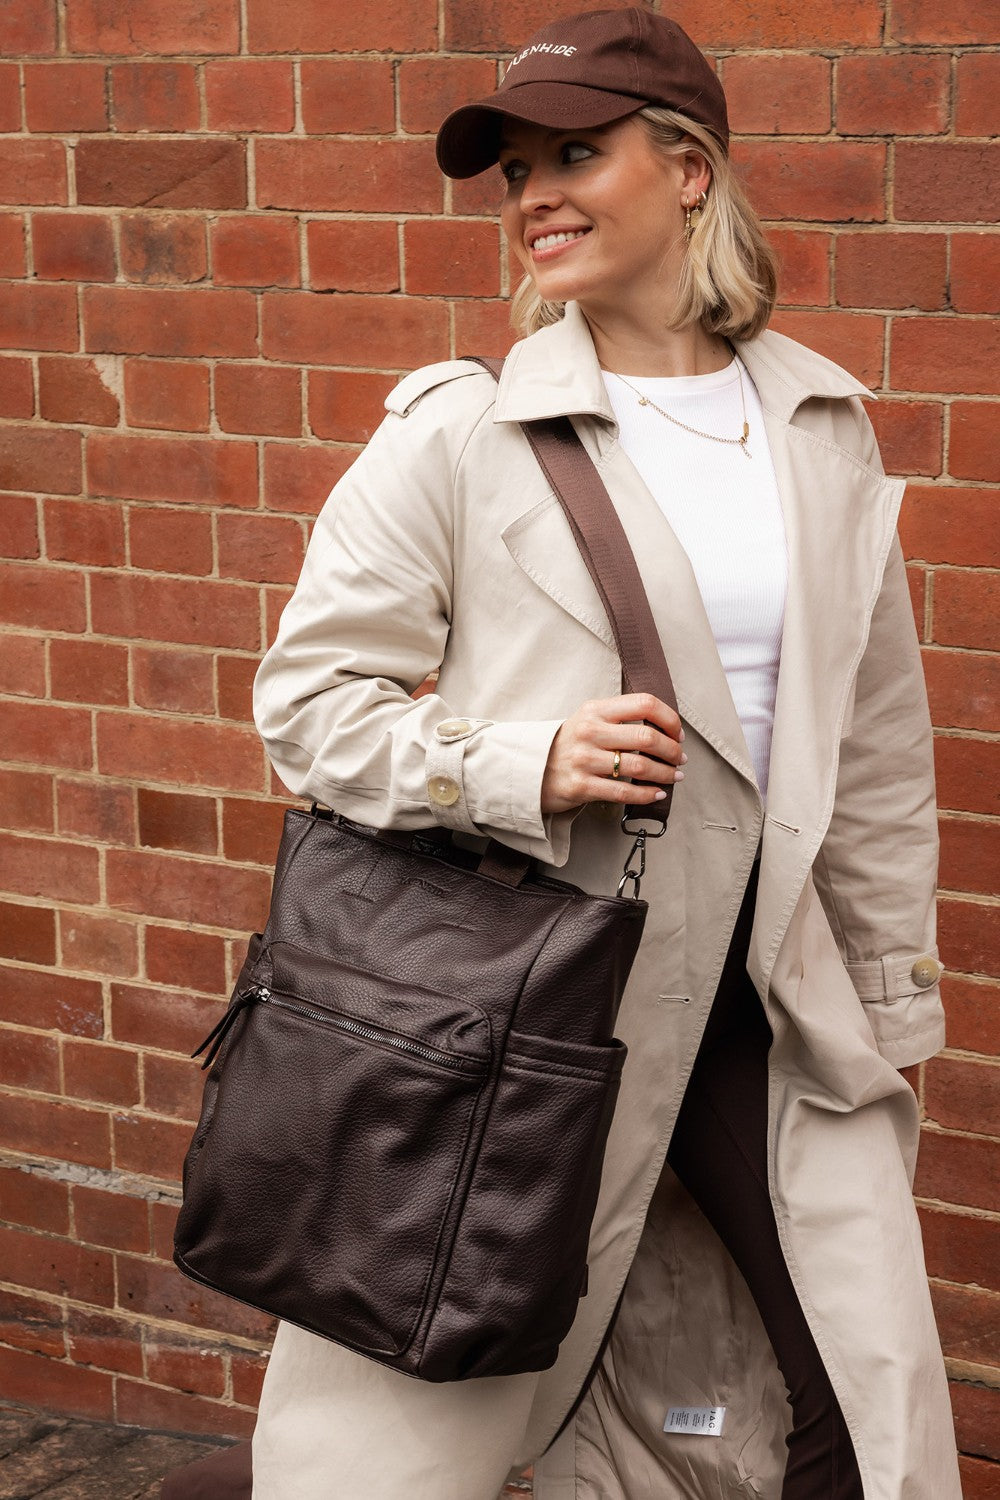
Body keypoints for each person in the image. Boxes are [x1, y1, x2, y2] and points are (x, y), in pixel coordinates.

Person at [163, 9, 961, 1498]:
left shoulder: (822, 430)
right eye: (516, 166)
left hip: (770, 1009)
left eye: (575, 153)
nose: (534, 191)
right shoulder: (461, 436)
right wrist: (517, 760)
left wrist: (891, 998)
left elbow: (872, 751)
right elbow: (308, 705)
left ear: (692, 171)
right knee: (437, 1416)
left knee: (857, 1406)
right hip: (524, 1019)